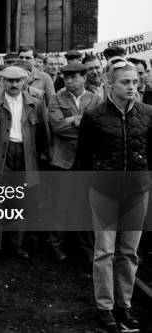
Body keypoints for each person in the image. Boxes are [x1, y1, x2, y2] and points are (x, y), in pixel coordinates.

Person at [76, 59, 151, 331]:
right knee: (105, 251)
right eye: (125, 82)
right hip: (104, 192)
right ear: (110, 84)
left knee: (129, 252)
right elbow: (83, 157)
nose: (132, 87)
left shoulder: (147, 113)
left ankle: (125, 305)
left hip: (137, 192)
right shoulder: (95, 116)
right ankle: (105, 308)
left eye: (135, 82)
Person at [0, 66, 49, 264]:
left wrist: (40, 157)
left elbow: (43, 133)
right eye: (9, 80)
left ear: (25, 81)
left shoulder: (36, 104)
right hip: (0, 157)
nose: (14, 84)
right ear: (3, 81)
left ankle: (17, 244)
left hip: (26, 157)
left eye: (18, 80)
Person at [47, 62, 102, 262]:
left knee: (87, 205)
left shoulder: (96, 98)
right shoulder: (56, 98)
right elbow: (57, 127)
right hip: (63, 160)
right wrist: (78, 121)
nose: (69, 81)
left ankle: (86, 246)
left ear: (84, 77)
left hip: (87, 158)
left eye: (74, 77)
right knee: (61, 204)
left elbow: (98, 128)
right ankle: (57, 247)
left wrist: (74, 120)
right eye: (66, 77)